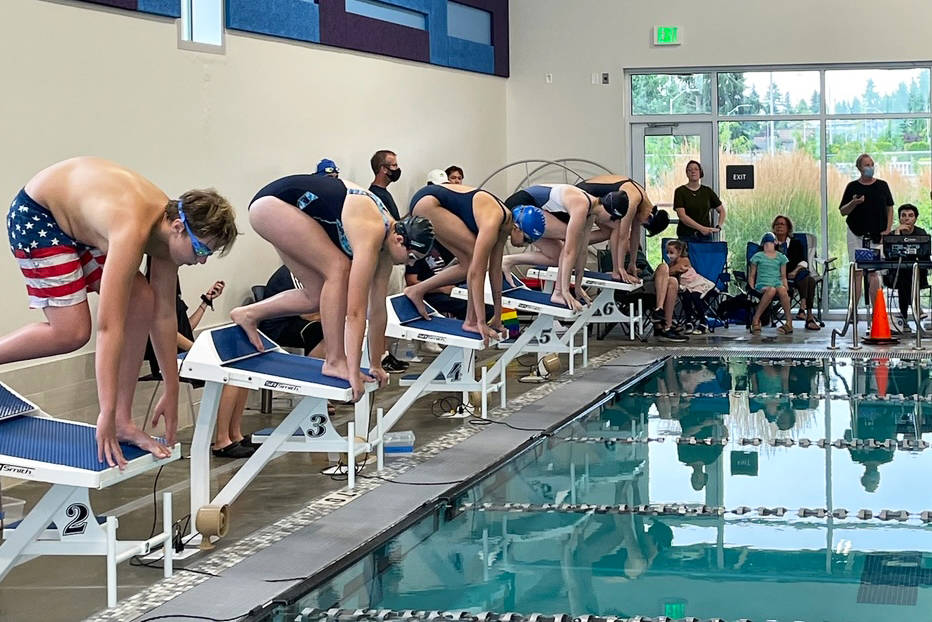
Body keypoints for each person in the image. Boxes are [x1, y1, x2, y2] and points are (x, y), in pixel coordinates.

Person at [1, 156, 239, 467]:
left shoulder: (168, 233)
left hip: (79, 218)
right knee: (71, 333)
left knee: (142, 300)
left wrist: (171, 387)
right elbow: (109, 327)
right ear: (179, 228)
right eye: (202, 250)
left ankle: (126, 424)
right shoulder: (132, 230)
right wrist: (105, 412)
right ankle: (118, 418)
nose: (202, 261)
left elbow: (164, 315)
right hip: (39, 215)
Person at [230, 174, 435, 401]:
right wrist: (352, 369)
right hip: (271, 206)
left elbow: (376, 311)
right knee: (339, 268)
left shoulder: (387, 246)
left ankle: (249, 314)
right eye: (412, 256)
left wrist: (376, 362)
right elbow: (355, 312)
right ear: (399, 240)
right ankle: (334, 360)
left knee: (316, 295)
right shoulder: (373, 231)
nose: (411, 263)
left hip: (277, 208)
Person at [404, 183, 513, 345]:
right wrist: (482, 322)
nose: (523, 245)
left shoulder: (506, 223)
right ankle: (471, 321)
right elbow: (478, 273)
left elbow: (495, 271)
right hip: (428, 202)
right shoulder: (492, 222)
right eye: (526, 240)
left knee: (470, 262)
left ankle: (417, 290)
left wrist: (498, 317)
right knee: (473, 259)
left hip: (433, 201)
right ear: (518, 228)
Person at [502, 184, 626, 311]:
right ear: (608, 211)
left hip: (532, 207)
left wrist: (578, 286)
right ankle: (558, 292)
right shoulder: (582, 206)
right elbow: (569, 252)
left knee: (556, 257)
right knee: (569, 241)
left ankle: (507, 261)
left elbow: (582, 251)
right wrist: (564, 291)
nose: (612, 224)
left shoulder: (591, 211)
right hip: (523, 205)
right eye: (613, 220)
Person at [575, 175, 657, 284]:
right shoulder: (633, 200)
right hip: (581, 195)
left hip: (592, 199)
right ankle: (616, 271)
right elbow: (623, 237)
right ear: (650, 216)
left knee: (608, 232)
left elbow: (635, 235)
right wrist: (620, 268)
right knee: (616, 226)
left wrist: (632, 263)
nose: (640, 224)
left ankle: (574, 241)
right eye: (644, 224)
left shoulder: (642, 204)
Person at [839, 153, 894, 312]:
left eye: (871, 164)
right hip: (856, 233)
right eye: (866, 165)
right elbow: (843, 211)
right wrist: (854, 202)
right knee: (857, 270)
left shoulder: (882, 185)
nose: (870, 167)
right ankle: (853, 311)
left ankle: (878, 313)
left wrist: (888, 229)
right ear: (859, 168)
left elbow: (890, 208)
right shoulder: (852, 187)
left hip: (877, 234)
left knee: (874, 272)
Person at [257, 265, 325, 357]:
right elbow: (308, 314)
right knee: (323, 330)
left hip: (296, 318)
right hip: (278, 328)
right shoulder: (299, 271)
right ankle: (321, 367)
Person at [771, 214, 820, 331]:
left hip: (795, 273)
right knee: (809, 279)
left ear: (788, 228)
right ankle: (807, 314)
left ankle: (804, 309)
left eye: (782, 224)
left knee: (806, 276)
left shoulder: (796, 243)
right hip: (778, 275)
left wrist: (794, 271)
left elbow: (803, 261)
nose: (779, 227)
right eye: (777, 224)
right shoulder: (770, 244)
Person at [885, 203, 928, 326]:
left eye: (910, 215)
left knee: (908, 275)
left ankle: (904, 319)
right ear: (899, 218)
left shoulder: (921, 233)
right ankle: (917, 309)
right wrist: (898, 234)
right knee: (903, 275)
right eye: (903, 215)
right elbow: (890, 255)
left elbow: (924, 254)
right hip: (896, 275)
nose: (907, 218)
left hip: (917, 274)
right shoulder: (894, 234)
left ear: (915, 218)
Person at [748, 232, 793, 335]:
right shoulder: (757, 256)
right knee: (771, 290)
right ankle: (755, 320)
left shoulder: (781, 257)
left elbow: (783, 276)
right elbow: (752, 275)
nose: (768, 245)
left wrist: (786, 287)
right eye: (766, 244)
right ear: (762, 245)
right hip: (762, 285)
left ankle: (789, 323)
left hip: (777, 283)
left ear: (775, 244)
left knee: (782, 289)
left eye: (770, 243)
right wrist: (752, 288)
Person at [674, 160, 725, 241]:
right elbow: (682, 216)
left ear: (700, 172)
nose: (693, 171)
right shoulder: (680, 191)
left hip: (705, 237)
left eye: (696, 169)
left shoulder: (707, 191)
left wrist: (719, 226)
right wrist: (701, 228)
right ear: (686, 173)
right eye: (689, 170)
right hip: (686, 236)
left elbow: (721, 210)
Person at [368, 149, 401, 220]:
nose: (397, 168)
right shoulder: (377, 196)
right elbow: (391, 227)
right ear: (384, 169)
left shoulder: (383, 193)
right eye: (394, 165)